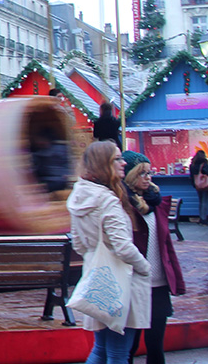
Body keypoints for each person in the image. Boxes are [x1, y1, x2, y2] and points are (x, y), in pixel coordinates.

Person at [67, 140, 151, 364]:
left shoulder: (79, 195)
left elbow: (78, 244)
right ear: (104, 164)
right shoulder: (108, 200)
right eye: (117, 159)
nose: (123, 163)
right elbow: (122, 246)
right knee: (118, 354)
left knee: (101, 349)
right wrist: (145, 267)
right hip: (122, 282)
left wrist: (96, 252)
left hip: (98, 278)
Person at [122, 151, 185, 364]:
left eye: (150, 173)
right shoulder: (124, 205)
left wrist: (174, 275)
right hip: (135, 282)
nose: (148, 178)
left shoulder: (157, 203)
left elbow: (166, 245)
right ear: (130, 176)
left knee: (156, 345)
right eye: (142, 173)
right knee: (128, 345)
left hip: (158, 283)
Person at [190, 149, 208, 225]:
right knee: (205, 201)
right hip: (205, 184)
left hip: (197, 185)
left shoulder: (192, 165)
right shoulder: (204, 164)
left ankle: (201, 217)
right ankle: (204, 219)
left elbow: (191, 176)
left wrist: (194, 184)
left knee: (201, 201)